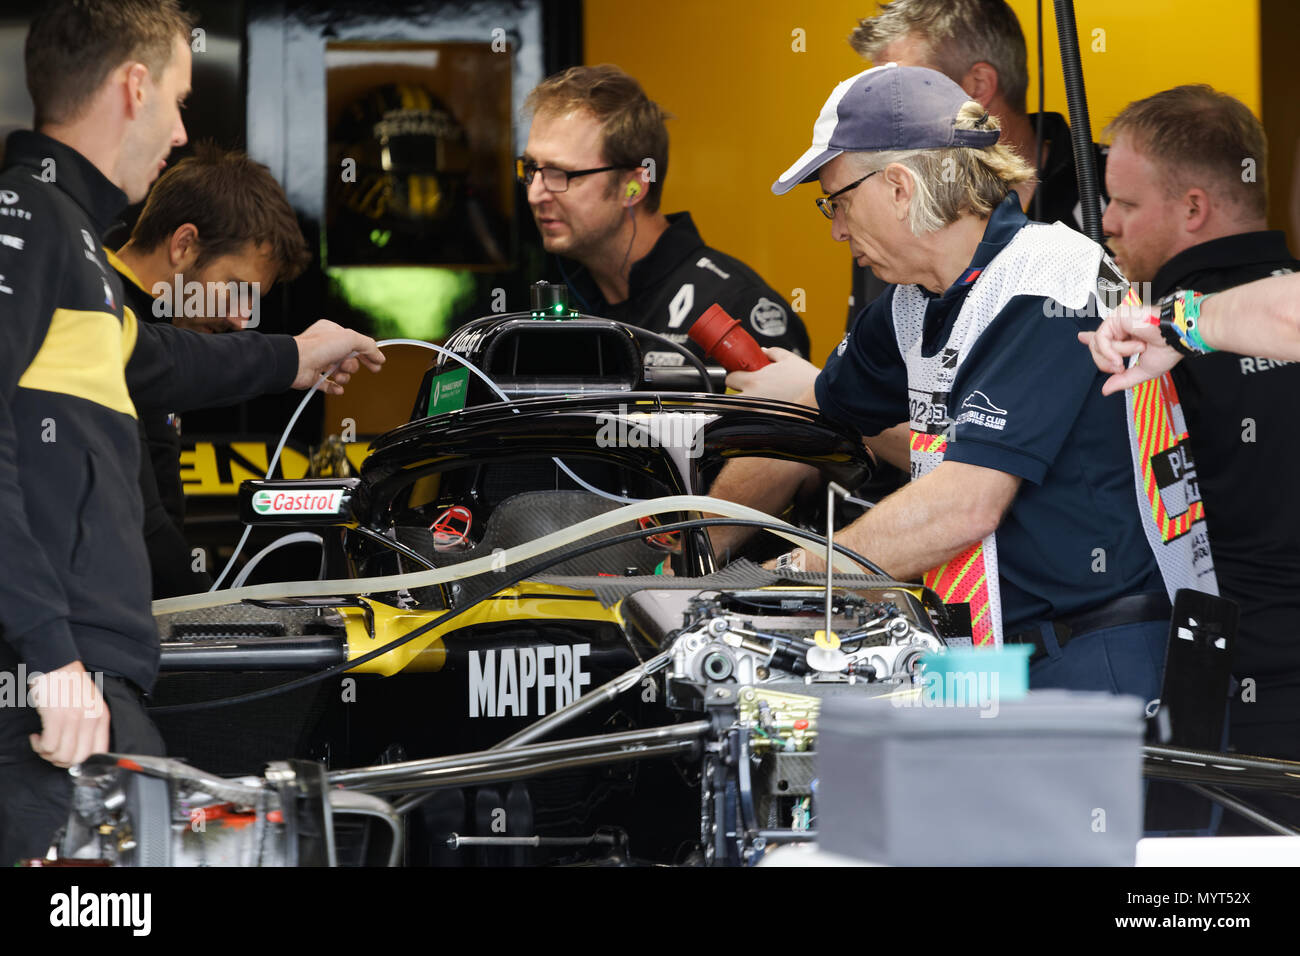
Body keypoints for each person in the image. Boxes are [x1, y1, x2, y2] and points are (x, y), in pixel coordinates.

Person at [0, 0, 384, 865]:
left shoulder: (73, 245)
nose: (179, 130)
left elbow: (158, 361)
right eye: (177, 99)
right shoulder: (27, 223)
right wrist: (50, 657)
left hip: (86, 680)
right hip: (51, 694)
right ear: (133, 87)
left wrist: (294, 356)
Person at [709, 64, 1211, 700]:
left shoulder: (1049, 279)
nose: (835, 229)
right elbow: (821, 413)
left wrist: (781, 579)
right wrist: (694, 553)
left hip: (1106, 650)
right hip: (993, 650)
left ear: (898, 186)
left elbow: (964, 506)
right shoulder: (913, 300)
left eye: (836, 202)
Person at [1081, 86, 1300, 831]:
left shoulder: (1137, 349)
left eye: (1123, 204)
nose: (1105, 224)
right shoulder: (1235, 317)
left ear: (1195, 208)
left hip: (1231, 712)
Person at [110, 144, 314, 598]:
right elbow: (142, 523)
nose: (242, 319)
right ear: (184, 244)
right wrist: (214, 618)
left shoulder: (157, 324)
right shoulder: (104, 313)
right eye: (236, 288)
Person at [519, 64, 810, 368]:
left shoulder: (736, 305)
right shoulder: (558, 303)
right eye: (530, 170)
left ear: (633, 187)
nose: (534, 194)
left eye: (560, 173)